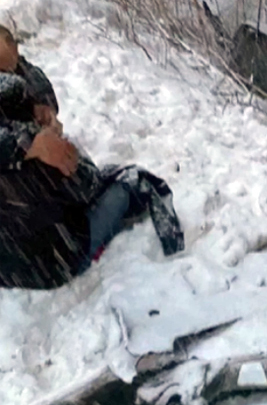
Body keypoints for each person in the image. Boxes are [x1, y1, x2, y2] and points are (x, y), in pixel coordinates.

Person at [0, 26, 184, 289]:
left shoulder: (24, 132)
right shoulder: (36, 156)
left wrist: (42, 107)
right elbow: (84, 186)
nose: (10, 75)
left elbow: (35, 81)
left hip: (15, 265)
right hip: (51, 264)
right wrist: (39, 144)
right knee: (123, 189)